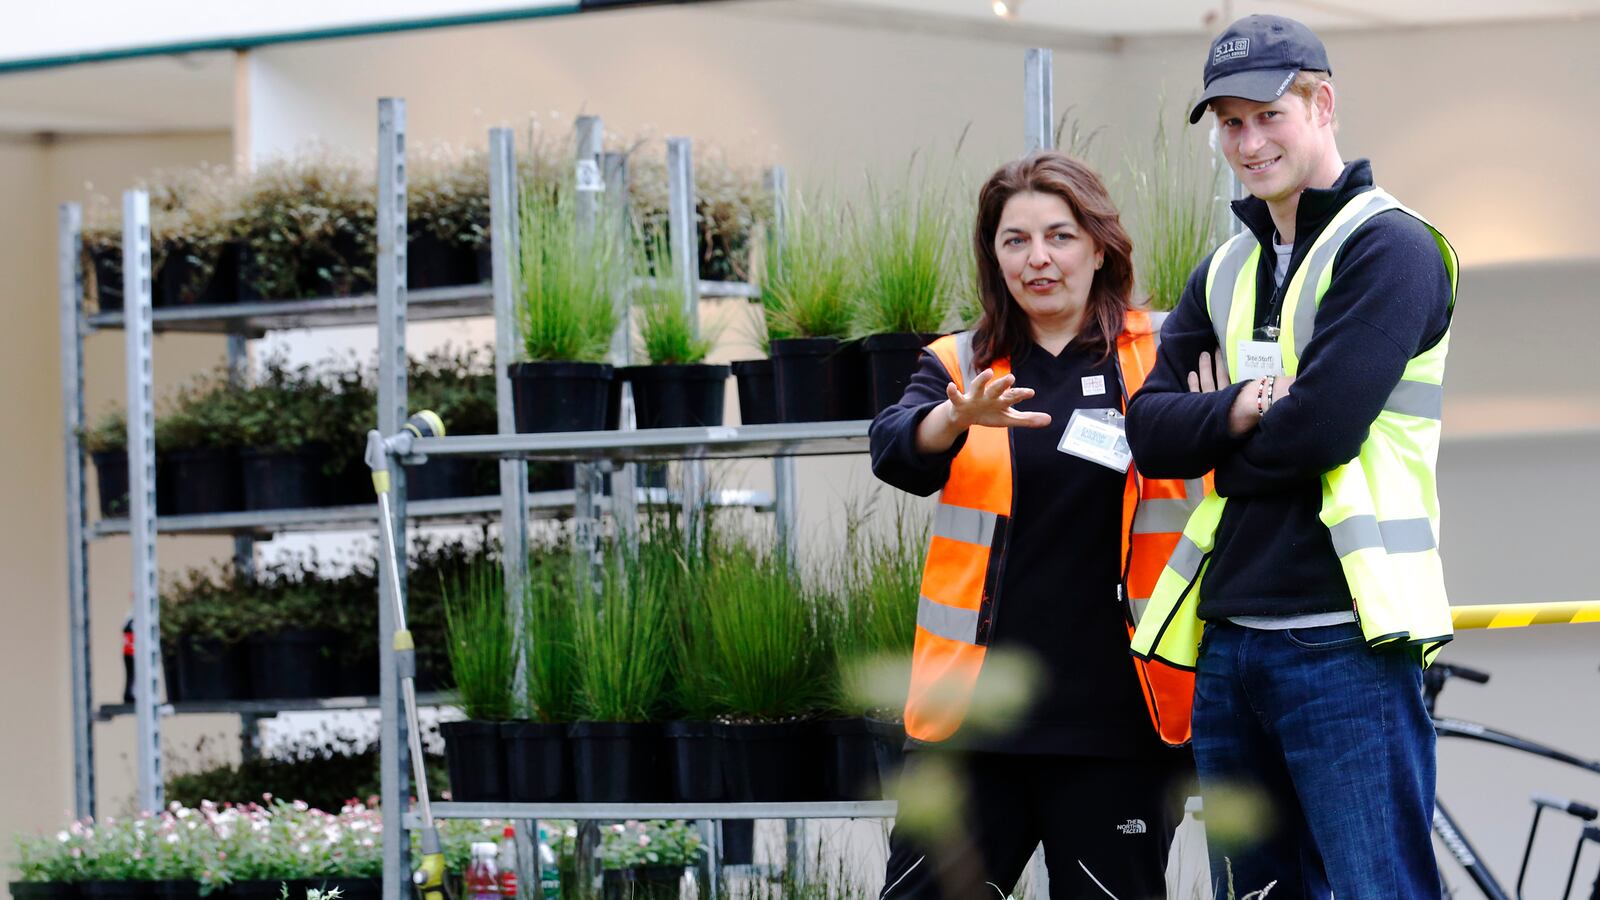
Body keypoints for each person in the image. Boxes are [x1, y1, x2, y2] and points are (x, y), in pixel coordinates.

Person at [1126, 15, 1458, 899]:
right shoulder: (1226, 269)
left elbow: (1320, 432)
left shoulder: (1392, 248)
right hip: (1232, 643)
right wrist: (1244, 404)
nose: (1248, 140)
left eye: (1268, 113)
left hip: (1344, 638)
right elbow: (1148, 430)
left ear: (1322, 104)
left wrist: (1219, 435)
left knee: (1373, 887)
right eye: (1230, 123)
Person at [870, 151, 1197, 900]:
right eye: (1015, 240)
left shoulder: (1162, 351)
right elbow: (895, 450)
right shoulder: (963, 362)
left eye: (1060, 235)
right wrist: (953, 416)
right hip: (972, 728)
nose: (1038, 258)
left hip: (1119, 725)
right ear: (993, 256)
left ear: (1100, 245)